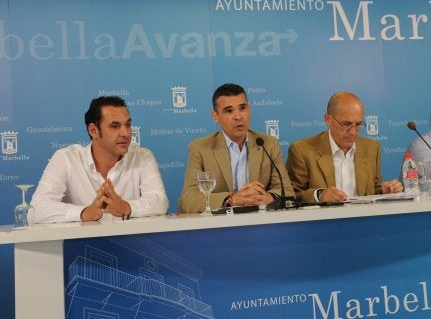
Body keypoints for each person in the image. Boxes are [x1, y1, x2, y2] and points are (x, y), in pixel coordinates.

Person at [31, 96, 169, 223]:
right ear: (93, 131)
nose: (126, 133)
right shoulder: (66, 158)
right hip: (80, 246)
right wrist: (84, 213)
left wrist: (127, 207)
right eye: (115, 126)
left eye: (127, 124)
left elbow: (160, 201)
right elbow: (36, 209)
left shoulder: (143, 157)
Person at [179, 83, 294, 213]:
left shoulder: (268, 144)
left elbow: (287, 191)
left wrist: (263, 197)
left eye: (242, 108)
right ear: (215, 116)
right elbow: (189, 199)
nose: (238, 116)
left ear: (249, 109)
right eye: (229, 111)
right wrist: (231, 199)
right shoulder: (200, 148)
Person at [286, 92, 403, 203]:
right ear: (328, 120)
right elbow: (291, 194)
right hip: (323, 221)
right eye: (346, 124)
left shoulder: (372, 148)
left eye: (358, 125)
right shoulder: (302, 150)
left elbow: (374, 189)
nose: (353, 132)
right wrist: (320, 195)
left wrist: (385, 190)